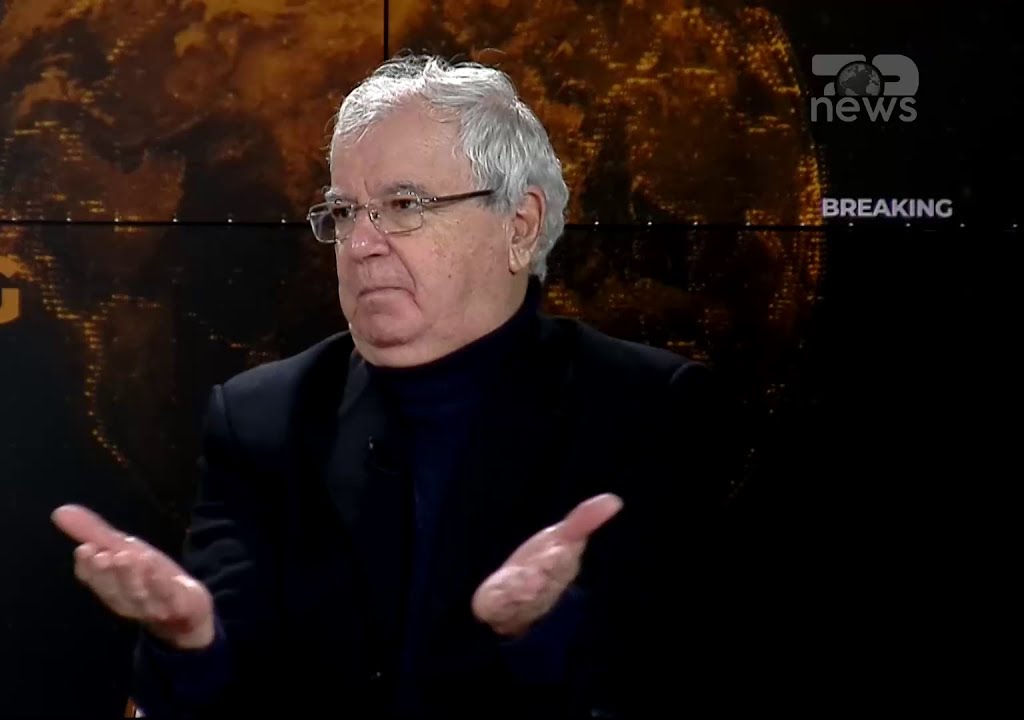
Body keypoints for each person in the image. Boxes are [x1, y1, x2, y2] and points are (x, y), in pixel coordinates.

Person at [51, 54, 739, 719]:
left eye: (403, 204)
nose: (359, 245)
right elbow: (220, 690)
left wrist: (541, 634)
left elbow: (669, 678)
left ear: (520, 226)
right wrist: (191, 641)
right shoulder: (262, 418)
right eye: (344, 212)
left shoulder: (648, 410)